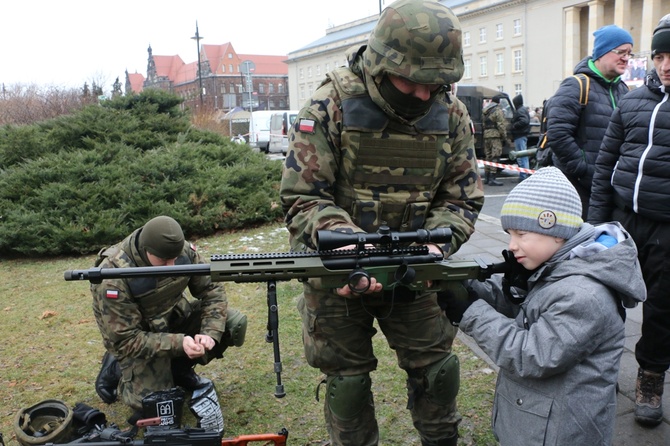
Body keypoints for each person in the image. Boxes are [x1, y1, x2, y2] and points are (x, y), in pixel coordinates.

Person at [279, 0, 484, 444]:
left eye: (437, 84)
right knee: (347, 384)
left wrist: (436, 246)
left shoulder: (451, 116)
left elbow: (462, 197)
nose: (425, 96)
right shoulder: (329, 104)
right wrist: (356, 250)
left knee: (437, 373)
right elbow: (303, 198)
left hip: (417, 272)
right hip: (336, 269)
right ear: (379, 63)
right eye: (412, 83)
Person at [440, 167, 645, 445]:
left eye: (522, 234)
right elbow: (524, 309)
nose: (512, 245)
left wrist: (471, 312)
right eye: (510, 234)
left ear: (557, 231)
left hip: (563, 432)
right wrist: (470, 289)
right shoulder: (556, 266)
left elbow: (531, 356)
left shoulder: (583, 294)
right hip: (540, 421)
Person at [588, 14, 670, 427]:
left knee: (662, 309)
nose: (667, 64)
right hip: (622, 220)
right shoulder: (633, 101)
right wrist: (595, 223)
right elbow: (605, 164)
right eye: (660, 54)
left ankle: (650, 378)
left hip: (667, 228)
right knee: (600, 295)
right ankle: (593, 368)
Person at [91, 216, 247, 422]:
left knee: (232, 323)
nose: (172, 265)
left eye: (175, 258)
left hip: (173, 322)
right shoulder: (113, 276)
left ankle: (178, 370)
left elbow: (212, 290)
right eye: (164, 261)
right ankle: (116, 368)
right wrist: (180, 343)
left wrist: (209, 332)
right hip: (137, 341)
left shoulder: (182, 251)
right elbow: (126, 340)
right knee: (158, 406)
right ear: (147, 250)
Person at [546, 24, 632, 219]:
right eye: (620, 51)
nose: (626, 58)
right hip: (578, 188)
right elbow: (558, 134)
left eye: (629, 53)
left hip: (609, 187)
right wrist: (584, 171)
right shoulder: (576, 85)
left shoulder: (623, 90)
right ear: (601, 52)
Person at [482, 94, 507, 186]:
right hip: (495, 136)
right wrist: (504, 137)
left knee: (488, 156)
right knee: (495, 156)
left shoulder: (485, 110)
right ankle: (492, 179)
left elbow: (483, 124)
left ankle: (487, 177)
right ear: (499, 102)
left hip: (486, 135)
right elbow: (501, 125)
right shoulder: (497, 110)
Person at [511, 94, 531, 182]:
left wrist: (514, 126)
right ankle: (524, 174)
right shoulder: (522, 109)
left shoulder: (520, 111)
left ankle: (523, 176)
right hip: (521, 135)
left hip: (519, 135)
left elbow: (524, 121)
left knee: (522, 156)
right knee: (523, 156)